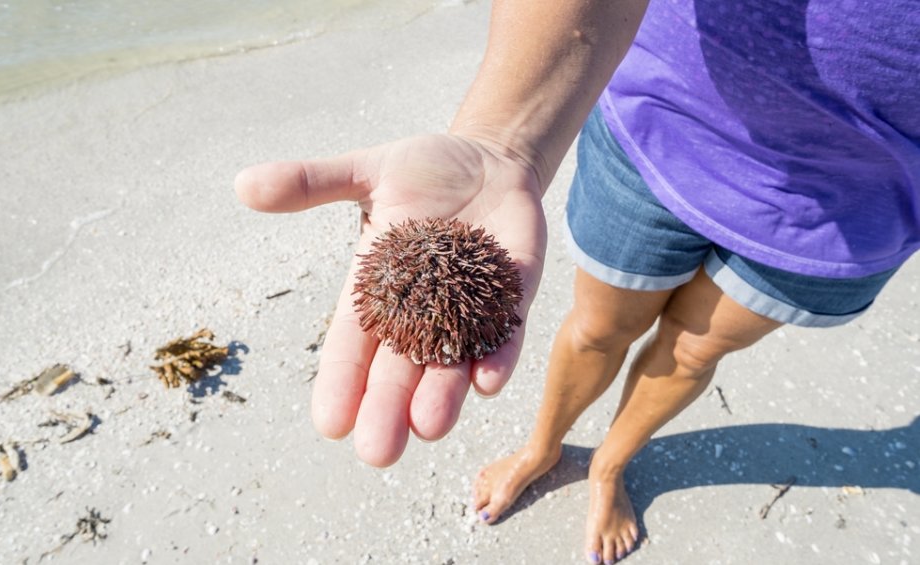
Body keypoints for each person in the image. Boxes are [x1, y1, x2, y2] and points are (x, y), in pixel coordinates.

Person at [234, 1, 919, 563]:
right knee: (597, 328)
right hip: (661, 123)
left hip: (861, 208)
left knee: (694, 351)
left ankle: (609, 466)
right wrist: (503, 135)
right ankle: (544, 447)